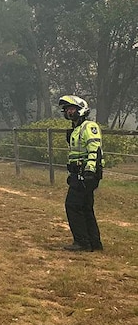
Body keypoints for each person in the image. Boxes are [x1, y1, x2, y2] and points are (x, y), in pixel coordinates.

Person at [59, 95, 104, 252]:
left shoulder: (89, 126)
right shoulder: (75, 129)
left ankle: (82, 242)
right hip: (78, 173)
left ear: (81, 109)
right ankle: (94, 243)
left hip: (87, 173)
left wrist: (89, 171)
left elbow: (94, 149)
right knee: (85, 207)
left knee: (72, 205)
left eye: (71, 109)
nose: (68, 112)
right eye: (66, 110)